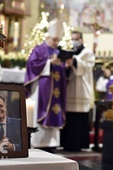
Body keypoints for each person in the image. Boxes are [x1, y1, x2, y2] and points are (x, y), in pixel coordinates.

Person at [24, 18, 66, 153]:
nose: (55, 43)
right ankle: (38, 142)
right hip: (42, 88)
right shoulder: (39, 49)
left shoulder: (59, 52)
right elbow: (32, 64)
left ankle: (52, 143)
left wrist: (66, 65)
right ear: (47, 37)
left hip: (56, 89)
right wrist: (48, 63)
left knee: (55, 111)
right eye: (53, 40)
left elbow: (63, 71)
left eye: (57, 41)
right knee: (40, 111)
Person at [60, 30, 95, 151]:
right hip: (70, 88)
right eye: (72, 39)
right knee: (70, 117)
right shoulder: (71, 52)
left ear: (81, 40)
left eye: (76, 39)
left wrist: (73, 61)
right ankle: (67, 144)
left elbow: (86, 67)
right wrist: (67, 66)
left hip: (82, 89)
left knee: (79, 118)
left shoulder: (88, 53)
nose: (74, 42)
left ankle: (79, 144)